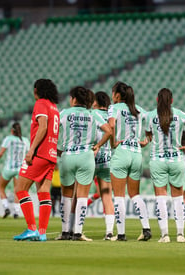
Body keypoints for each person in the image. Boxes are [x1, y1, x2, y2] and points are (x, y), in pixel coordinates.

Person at [57, 86, 112, 241]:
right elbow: (108, 130)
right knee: (82, 196)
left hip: (68, 155)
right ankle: (78, 233)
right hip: (86, 157)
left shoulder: (64, 113)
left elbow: (52, 130)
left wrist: (58, 149)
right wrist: (98, 145)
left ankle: (65, 232)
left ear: (74, 99)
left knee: (67, 196)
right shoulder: (92, 114)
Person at [146, 88, 185, 243]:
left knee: (161, 198)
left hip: (158, 160)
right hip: (176, 159)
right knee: (178, 199)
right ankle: (181, 235)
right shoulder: (178, 113)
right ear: (172, 101)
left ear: (157, 100)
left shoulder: (150, 116)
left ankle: (165, 235)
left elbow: (148, 135)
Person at [13, 78, 60, 242]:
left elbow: (43, 127)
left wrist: (31, 150)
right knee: (43, 192)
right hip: (51, 155)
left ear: (36, 90)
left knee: (20, 189)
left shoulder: (41, 103)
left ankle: (32, 228)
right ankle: (42, 233)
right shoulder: (55, 107)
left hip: (40, 154)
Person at [108, 81, 151, 241]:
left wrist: (113, 143)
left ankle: (121, 234)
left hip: (122, 152)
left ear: (117, 95)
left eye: (113, 93)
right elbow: (152, 125)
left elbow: (111, 126)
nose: (112, 96)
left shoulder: (115, 108)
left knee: (119, 196)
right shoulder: (139, 110)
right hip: (136, 153)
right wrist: (145, 141)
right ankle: (146, 228)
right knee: (135, 194)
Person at [0, 122, 29, 219]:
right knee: (17, 191)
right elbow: (30, 154)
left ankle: (6, 207)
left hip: (9, 168)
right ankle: (16, 212)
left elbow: (1, 153)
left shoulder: (8, 139)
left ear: (12, 130)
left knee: (1, 188)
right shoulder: (25, 140)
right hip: (20, 169)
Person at [92, 91, 115, 240]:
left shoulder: (92, 114)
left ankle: (73, 230)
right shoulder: (112, 116)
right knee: (107, 197)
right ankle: (109, 231)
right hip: (108, 159)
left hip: (91, 157)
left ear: (95, 102)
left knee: (78, 194)